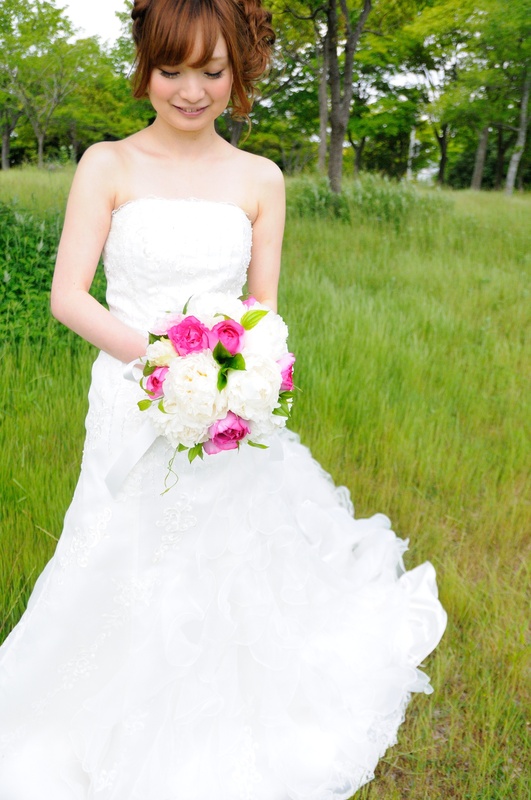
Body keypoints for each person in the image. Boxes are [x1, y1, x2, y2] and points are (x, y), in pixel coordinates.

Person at [0, 0, 447, 797]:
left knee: (223, 544)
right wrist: (166, 366)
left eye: (210, 71)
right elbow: (68, 296)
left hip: (225, 403)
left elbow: (261, 307)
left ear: (239, 70)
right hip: (134, 393)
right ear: (145, 69)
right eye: (171, 70)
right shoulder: (107, 164)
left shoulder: (260, 178)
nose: (190, 90)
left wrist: (239, 375)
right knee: (120, 542)